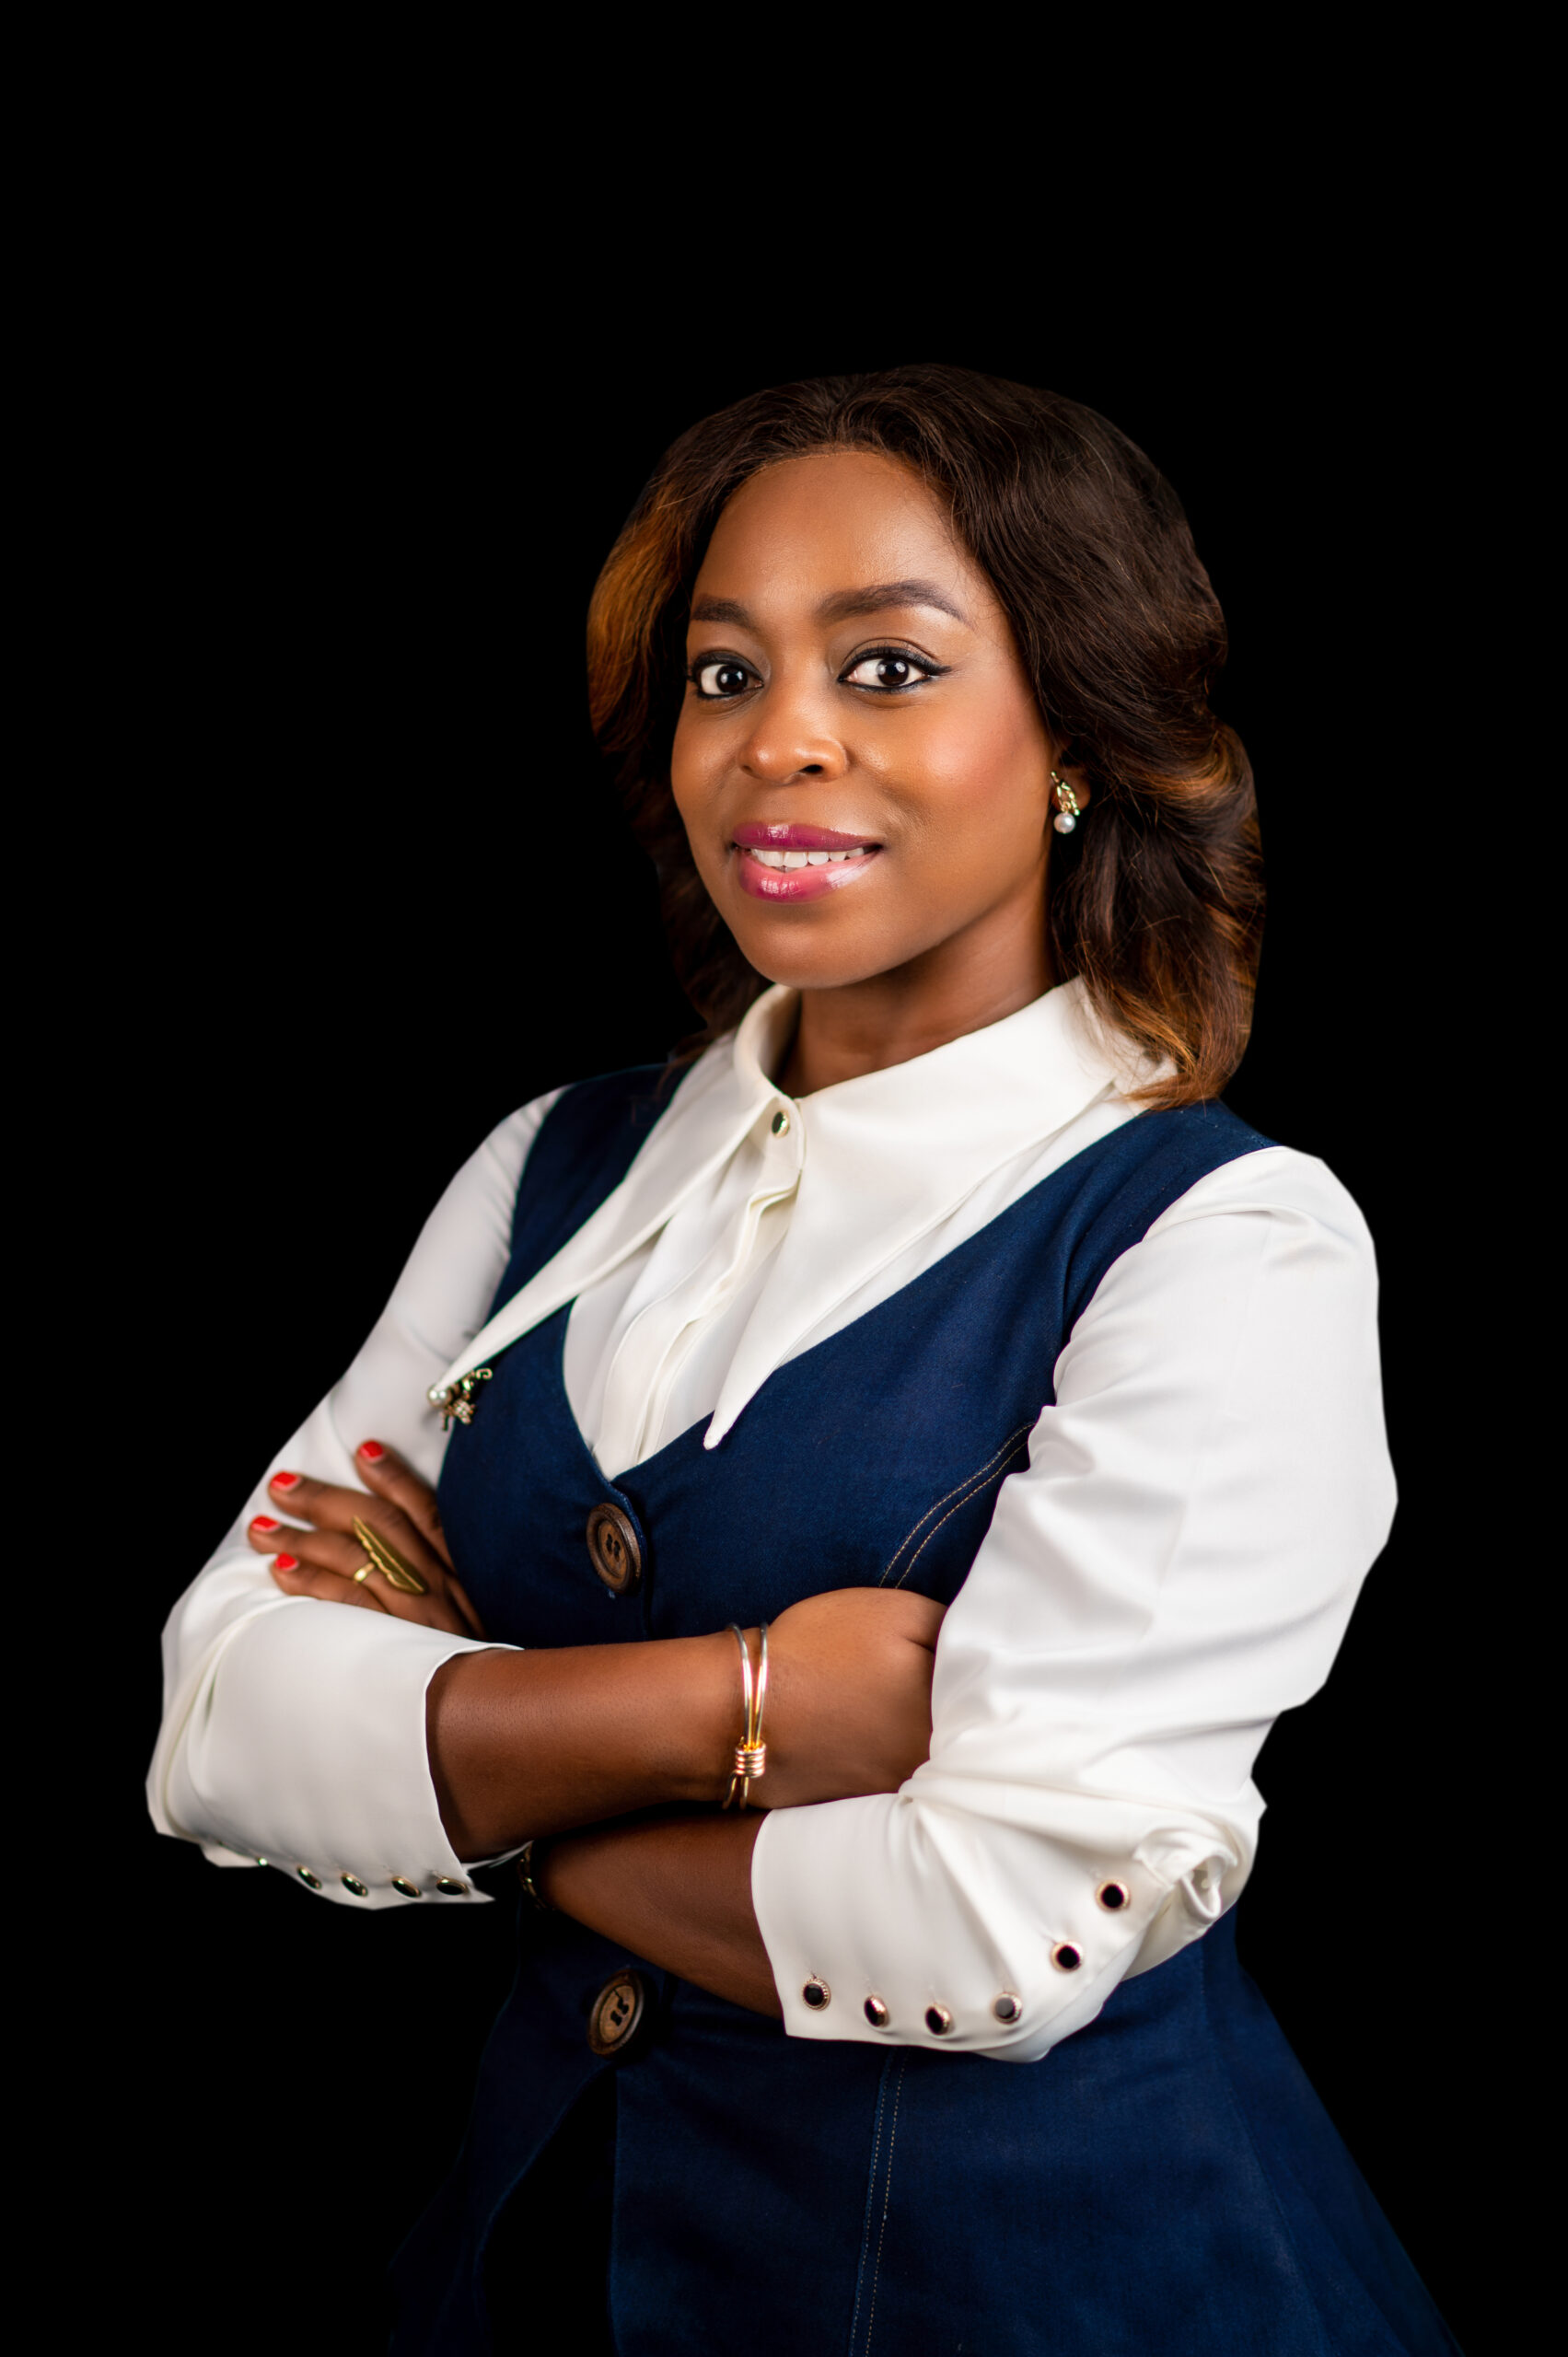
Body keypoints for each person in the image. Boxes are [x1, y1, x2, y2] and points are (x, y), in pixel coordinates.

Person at [149, 366, 1458, 2353]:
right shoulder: (551, 1168)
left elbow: (997, 1920)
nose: (781, 742)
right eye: (724, 673)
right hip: (527, 2273)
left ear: (1077, 735)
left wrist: (458, 1767)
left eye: (889, 667)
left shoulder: (1224, 1240)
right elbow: (219, 1719)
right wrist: (753, 1702)